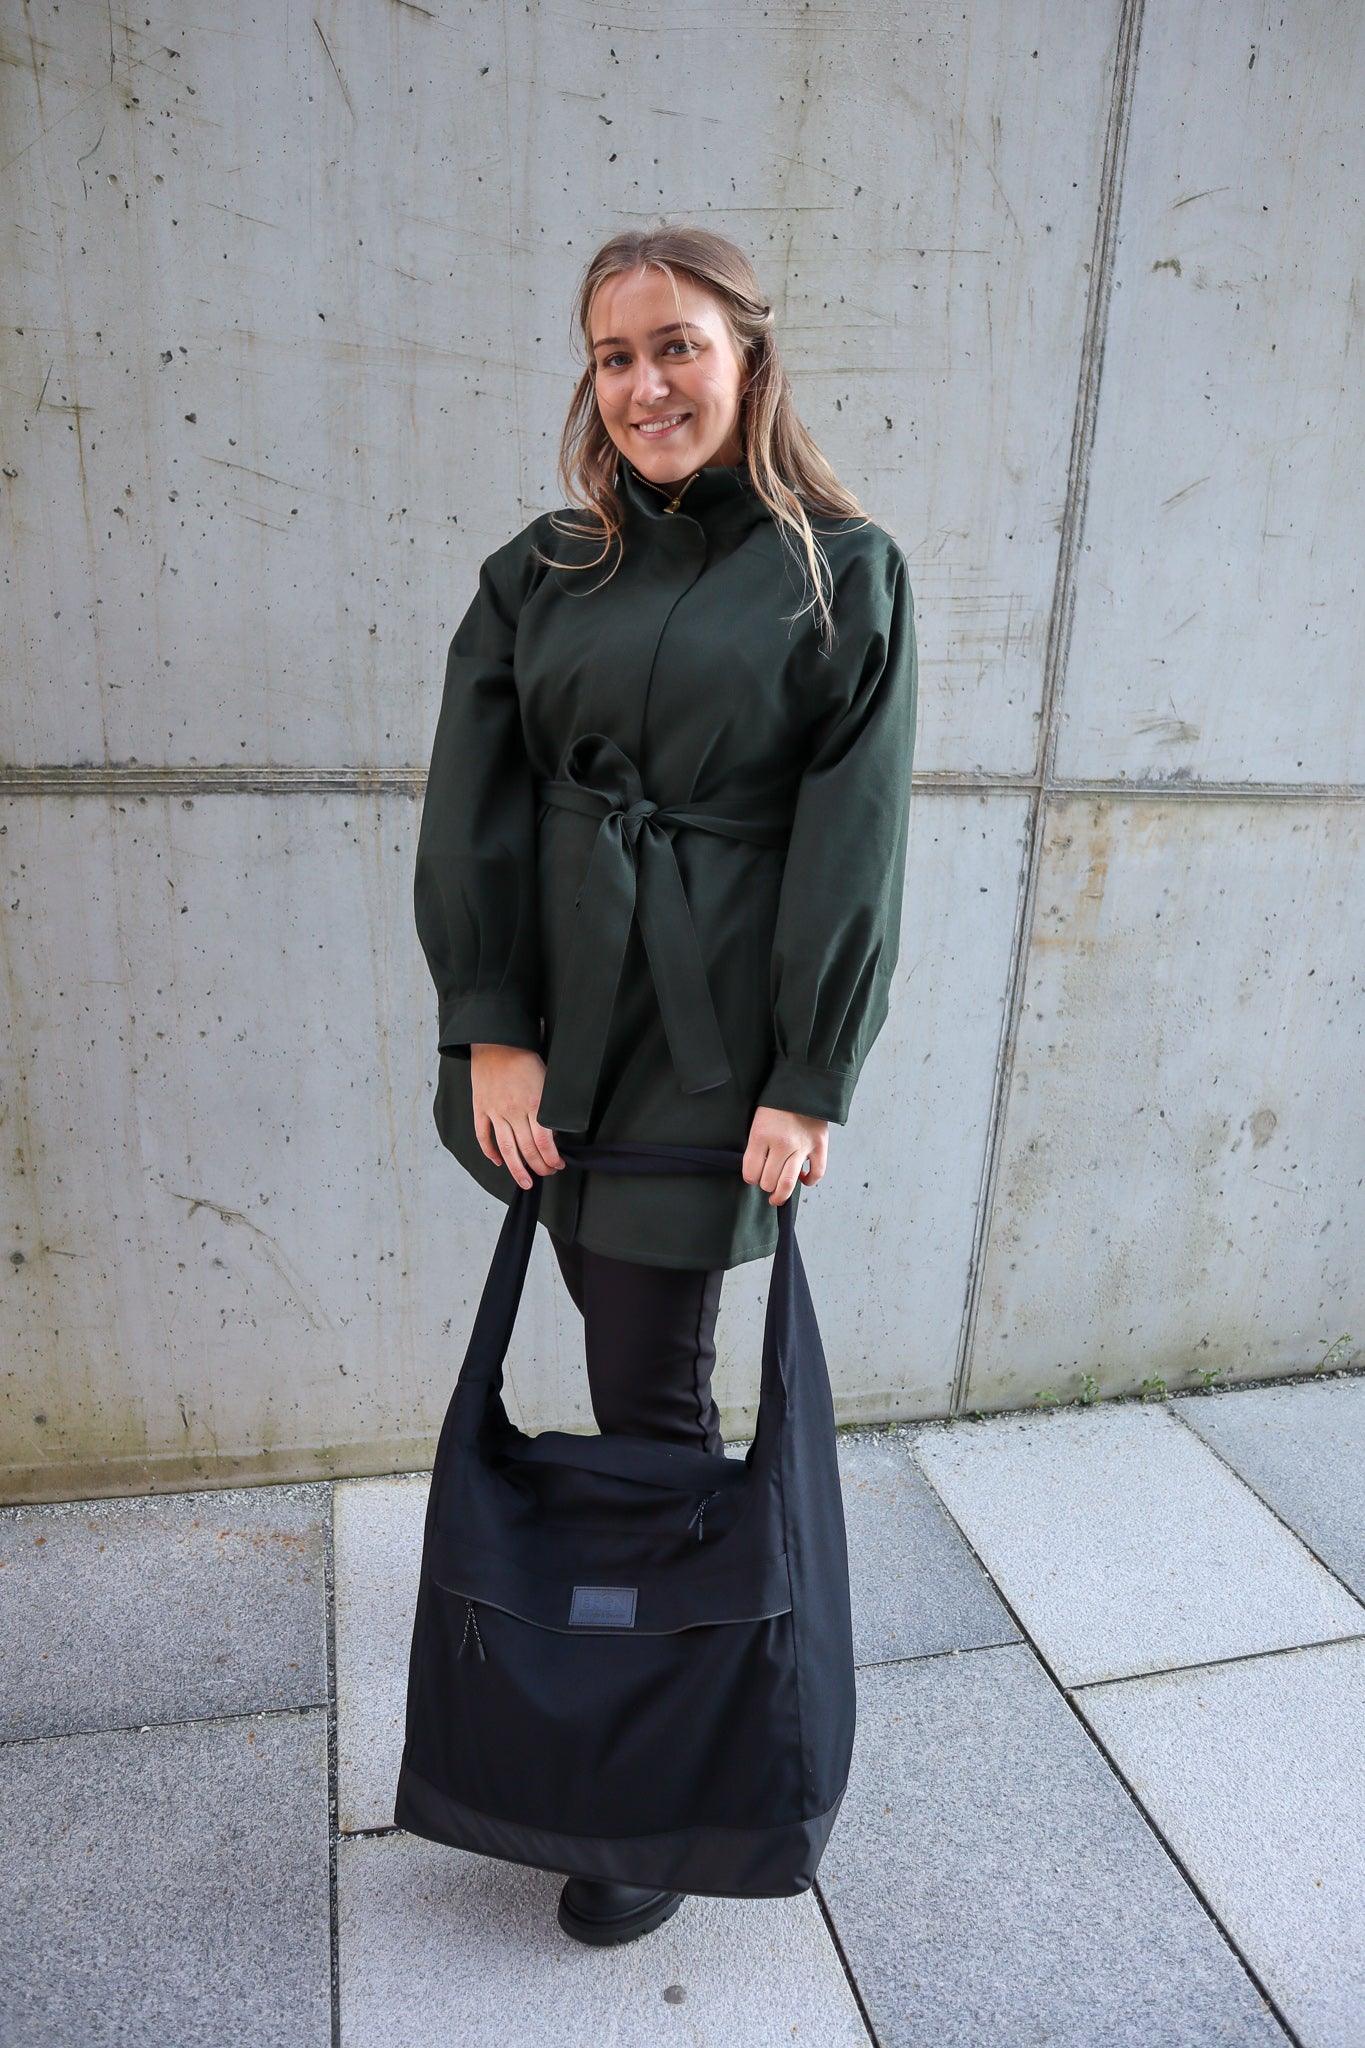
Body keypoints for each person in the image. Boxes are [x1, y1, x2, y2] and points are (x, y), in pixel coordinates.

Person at [413, 222, 918, 1946]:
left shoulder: (842, 572)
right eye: (614, 354)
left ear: (747, 356)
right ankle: (636, 1667)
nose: (644, 384)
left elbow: (854, 839)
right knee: (625, 1354)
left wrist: (807, 1068)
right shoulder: (541, 568)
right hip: (557, 1031)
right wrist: (491, 1018)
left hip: (710, 1046)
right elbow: (474, 791)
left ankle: (653, 1770)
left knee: (653, 1387)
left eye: (676, 345)